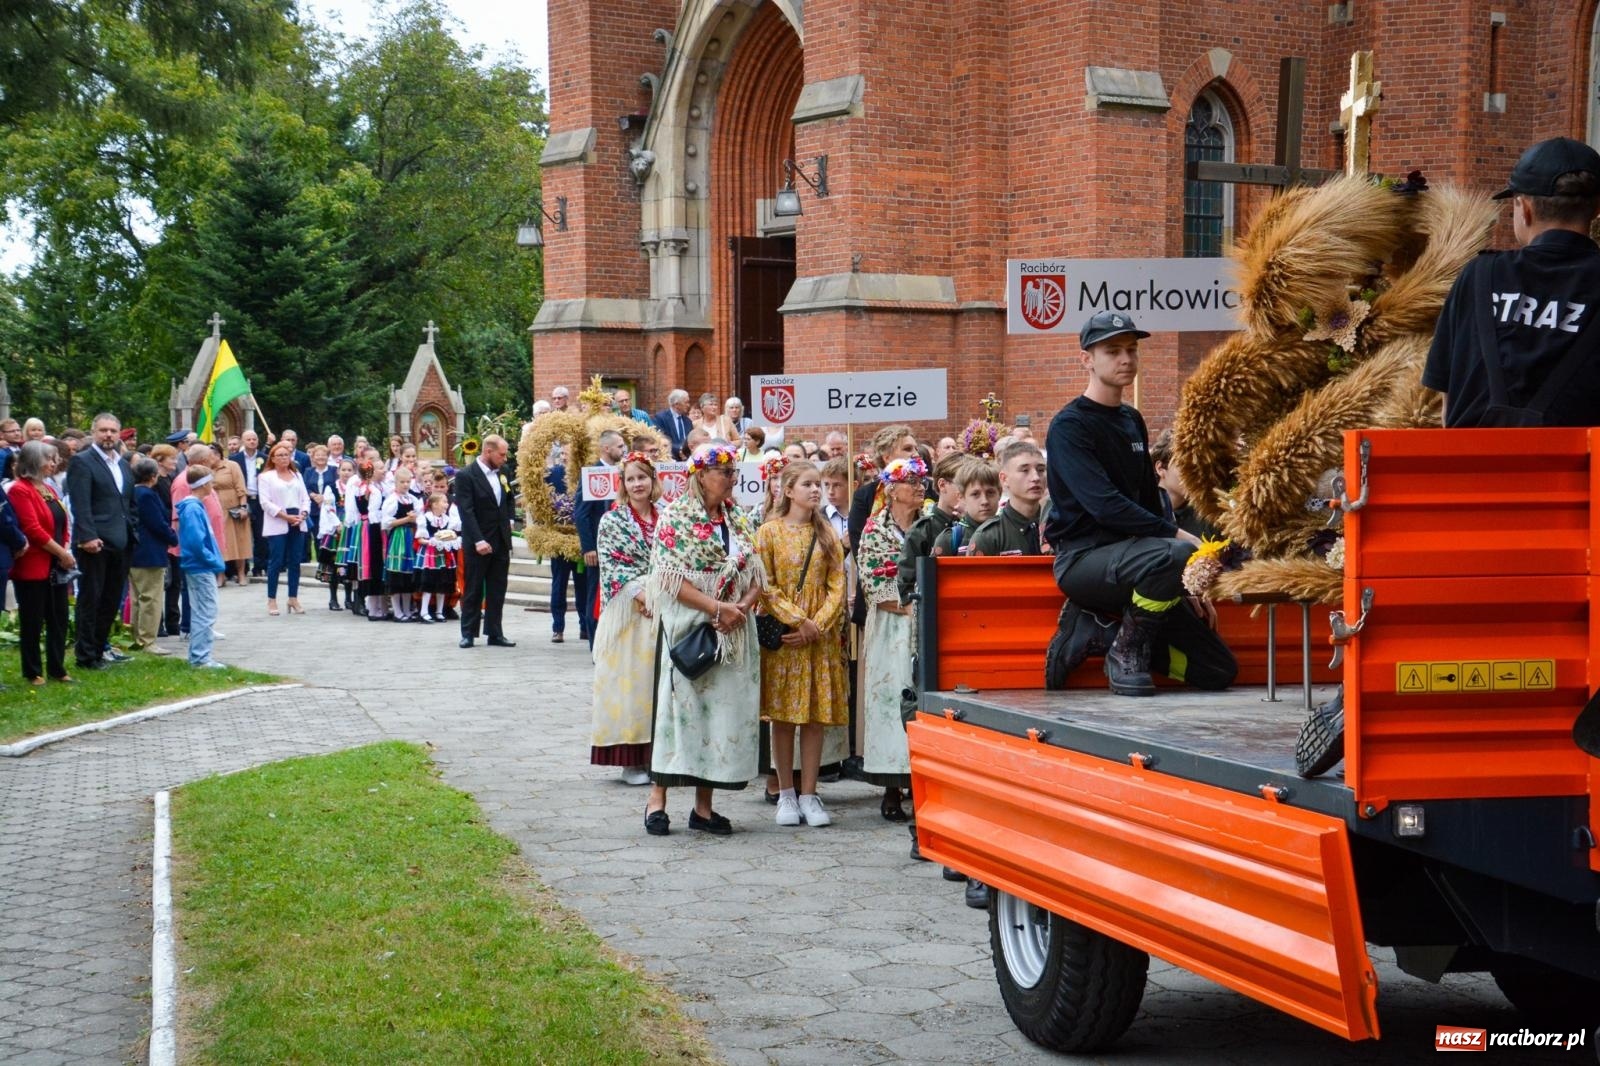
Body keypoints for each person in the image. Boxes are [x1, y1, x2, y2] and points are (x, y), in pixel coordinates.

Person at [1295, 137, 1600, 779]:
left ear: (1521, 210)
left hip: (1467, 528)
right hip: (1580, 535)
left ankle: (1372, 685)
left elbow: (1437, 407)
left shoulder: (1478, 278)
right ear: (1594, 212)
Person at [1045, 311, 1237, 698]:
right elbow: (1104, 506)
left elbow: (1152, 502)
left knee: (1218, 670)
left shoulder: (1132, 419)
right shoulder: (1070, 425)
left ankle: (1105, 633)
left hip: (1143, 564)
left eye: (1131, 350)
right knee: (1175, 552)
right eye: (1112, 350)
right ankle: (1127, 650)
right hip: (1085, 561)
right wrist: (1181, 544)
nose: (1126, 359)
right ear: (1087, 359)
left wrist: (1185, 582)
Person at [643, 442, 763, 836]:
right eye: (724, 473)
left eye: (733, 473)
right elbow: (668, 578)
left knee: (719, 715)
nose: (732, 479)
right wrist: (716, 608)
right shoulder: (675, 517)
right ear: (700, 475)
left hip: (733, 629)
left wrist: (740, 607)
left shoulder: (738, 518)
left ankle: (704, 808)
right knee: (681, 712)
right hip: (691, 628)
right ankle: (657, 799)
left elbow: (756, 574)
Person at [757, 460, 848, 829]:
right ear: (788, 490)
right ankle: (786, 794)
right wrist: (798, 620)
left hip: (818, 639)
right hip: (788, 635)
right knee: (783, 717)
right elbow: (765, 585)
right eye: (808, 484)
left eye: (820, 485)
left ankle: (810, 793)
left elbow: (837, 586)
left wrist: (818, 624)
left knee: (814, 717)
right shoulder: (769, 533)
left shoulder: (826, 534)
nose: (816, 490)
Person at [856, 456, 928, 822]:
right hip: (891, 624)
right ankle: (890, 787)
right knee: (890, 698)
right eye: (911, 481)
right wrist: (909, 606)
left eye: (922, 481)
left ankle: (922, 784)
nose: (919, 487)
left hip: (924, 621)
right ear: (891, 489)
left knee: (920, 696)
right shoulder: (874, 530)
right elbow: (872, 582)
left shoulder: (930, 524)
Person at [591, 452, 661, 784]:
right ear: (623, 484)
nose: (637, 484)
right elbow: (612, 566)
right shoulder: (613, 521)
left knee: (656, 685)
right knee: (628, 685)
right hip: (628, 613)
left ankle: (656, 757)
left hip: (662, 610)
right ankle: (630, 760)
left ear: (653, 481)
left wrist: (661, 594)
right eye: (631, 479)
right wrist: (642, 594)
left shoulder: (666, 517)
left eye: (642, 477)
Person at [66, 412, 136, 671]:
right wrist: (87, 536)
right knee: (91, 599)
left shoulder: (123, 464)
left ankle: (98, 651)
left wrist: (133, 532)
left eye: (113, 431)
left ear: (119, 434)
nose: (108, 435)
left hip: (122, 542)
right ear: (94, 432)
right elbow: (80, 503)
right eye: (103, 430)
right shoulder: (83, 462)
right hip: (94, 543)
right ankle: (85, 655)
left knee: (111, 600)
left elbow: (128, 502)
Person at [8, 441, 76, 685]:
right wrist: (62, 553)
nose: (53, 463)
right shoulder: (20, 489)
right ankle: (33, 670)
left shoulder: (49, 488)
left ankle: (57, 668)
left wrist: (65, 548)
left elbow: (62, 522)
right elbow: (32, 529)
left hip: (56, 564)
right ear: (34, 462)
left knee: (58, 618)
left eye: (54, 458)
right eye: (49, 459)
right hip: (34, 565)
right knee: (33, 620)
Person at [456, 434, 517, 649]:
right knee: (473, 588)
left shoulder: (504, 472)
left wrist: (509, 519)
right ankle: (468, 633)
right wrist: (478, 540)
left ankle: (495, 632)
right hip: (478, 541)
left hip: (500, 539)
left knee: (497, 588)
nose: (505, 458)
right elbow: (466, 511)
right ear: (488, 452)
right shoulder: (466, 476)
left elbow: (509, 499)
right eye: (501, 454)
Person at [575, 430, 627, 647]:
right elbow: (581, 513)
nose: (624, 450)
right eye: (620, 446)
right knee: (594, 592)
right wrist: (589, 547)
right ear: (606, 448)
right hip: (598, 547)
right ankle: (594, 641)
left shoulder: (624, 472)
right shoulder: (593, 473)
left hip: (621, 547)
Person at [899, 453, 968, 605]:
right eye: (963, 484)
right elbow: (907, 589)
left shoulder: (977, 526)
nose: (968, 491)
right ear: (942, 484)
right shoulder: (922, 531)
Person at [177, 465, 228, 668]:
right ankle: (200, 657)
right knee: (205, 611)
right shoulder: (192, 509)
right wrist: (212, 560)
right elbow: (196, 542)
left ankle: (198, 656)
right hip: (200, 567)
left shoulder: (195, 507)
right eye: (210, 482)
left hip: (200, 565)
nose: (212, 486)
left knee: (203, 610)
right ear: (204, 484)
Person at [128, 457, 177, 654]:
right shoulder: (147, 494)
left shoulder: (133, 492)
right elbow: (157, 522)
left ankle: (136, 637)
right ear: (152, 476)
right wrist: (173, 537)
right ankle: (147, 640)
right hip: (149, 552)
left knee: (138, 597)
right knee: (151, 597)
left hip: (136, 551)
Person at [259, 442, 312, 616]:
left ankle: (293, 597)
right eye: (279, 455)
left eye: (286, 455)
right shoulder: (266, 477)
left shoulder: (296, 474)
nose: (283, 458)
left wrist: (303, 514)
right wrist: (284, 516)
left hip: (297, 519)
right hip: (279, 520)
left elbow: (305, 498)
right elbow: (265, 502)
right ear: (272, 459)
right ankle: (272, 599)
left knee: (295, 561)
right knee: (276, 561)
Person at [970, 440, 1048, 557]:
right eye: (1025, 470)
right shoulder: (989, 536)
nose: (1036, 477)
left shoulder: (1058, 526)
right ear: (1004, 479)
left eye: (1041, 470)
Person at [1149, 429, 1221, 540]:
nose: (1196, 475)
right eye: (1186, 466)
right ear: (1160, 468)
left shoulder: (1208, 519)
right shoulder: (1142, 515)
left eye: (1200, 467)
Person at [340, 460, 387, 619]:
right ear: (371, 473)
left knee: (365, 562)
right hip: (371, 527)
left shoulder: (358, 488)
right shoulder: (372, 490)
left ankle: (368, 604)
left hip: (361, 525)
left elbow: (352, 511)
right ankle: (371, 606)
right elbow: (374, 513)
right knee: (372, 562)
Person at [381, 459, 423, 622]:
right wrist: (407, 520)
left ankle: (407, 610)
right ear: (396, 482)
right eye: (402, 482)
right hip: (398, 537)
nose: (405, 485)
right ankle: (398, 612)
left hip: (410, 537)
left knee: (408, 575)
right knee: (397, 574)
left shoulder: (412, 499)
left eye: (408, 481)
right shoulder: (392, 500)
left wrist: (415, 520)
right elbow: (386, 523)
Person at [149, 443, 183, 636]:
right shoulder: (155, 482)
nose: (175, 462)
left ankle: (173, 621)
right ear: (160, 460)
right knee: (164, 581)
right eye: (172, 458)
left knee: (175, 580)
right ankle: (159, 622)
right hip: (163, 533)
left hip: (172, 533)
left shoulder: (170, 478)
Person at [303, 445, 343, 610]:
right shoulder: (308, 472)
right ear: (312, 457)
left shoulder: (334, 471)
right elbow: (304, 487)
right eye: (317, 455)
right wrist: (314, 496)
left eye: (323, 455)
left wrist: (325, 498)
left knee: (335, 552)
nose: (320, 458)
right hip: (314, 511)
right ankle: (323, 570)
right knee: (319, 544)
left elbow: (336, 489)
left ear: (328, 456)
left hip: (333, 514)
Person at [933, 459, 999, 556]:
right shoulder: (950, 539)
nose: (985, 501)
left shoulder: (1011, 533)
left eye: (990, 493)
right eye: (975, 494)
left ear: (1000, 493)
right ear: (961, 497)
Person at [414, 491, 460, 622]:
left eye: (446, 501)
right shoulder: (425, 518)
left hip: (443, 554)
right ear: (434, 505)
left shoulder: (447, 520)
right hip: (429, 555)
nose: (447, 504)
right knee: (429, 583)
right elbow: (420, 539)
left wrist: (449, 540)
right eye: (444, 502)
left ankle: (439, 611)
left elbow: (451, 534)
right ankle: (424, 611)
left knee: (442, 583)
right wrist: (432, 541)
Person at [214, 440, 254, 585]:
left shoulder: (232, 465)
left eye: (214, 454)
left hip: (233, 508)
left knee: (239, 541)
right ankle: (221, 574)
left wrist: (243, 507)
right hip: (215, 510)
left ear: (219, 454)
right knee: (218, 543)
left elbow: (241, 488)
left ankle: (241, 573)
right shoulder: (205, 468)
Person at [229, 429, 268, 577]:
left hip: (259, 500)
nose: (252, 442)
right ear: (243, 442)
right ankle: (241, 568)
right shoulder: (234, 459)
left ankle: (260, 566)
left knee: (261, 534)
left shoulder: (264, 458)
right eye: (249, 439)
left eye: (254, 439)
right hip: (242, 500)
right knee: (241, 534)